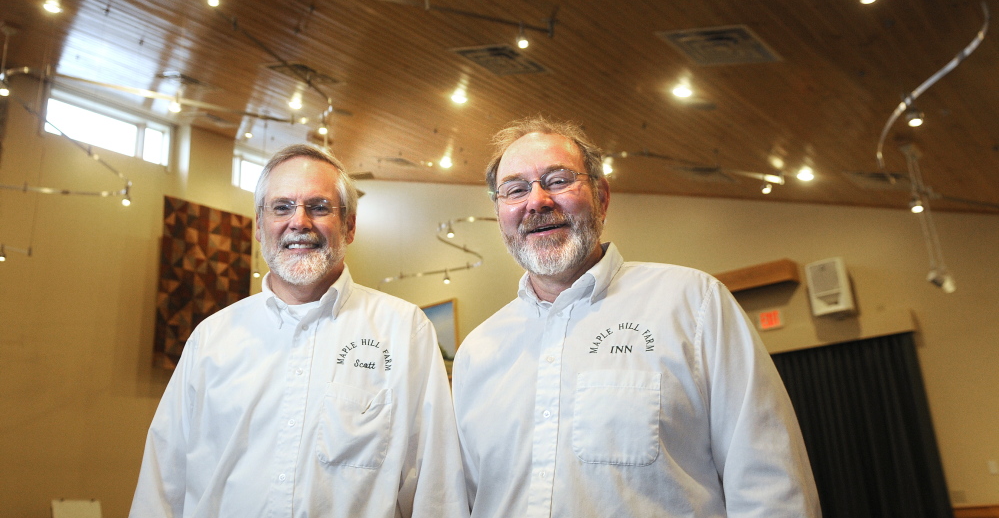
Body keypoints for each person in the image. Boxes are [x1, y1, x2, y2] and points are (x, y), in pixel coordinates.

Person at [451, 117, 821, 518]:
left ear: (602, 197)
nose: (537, 201)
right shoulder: (476, 352)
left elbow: (770, 484)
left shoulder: (693, 303)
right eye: (515, 189)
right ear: (499, 212)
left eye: (558, 181)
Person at [130, 144, 468, 518]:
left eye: (319, 207)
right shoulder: (211, 339)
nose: (299, 222)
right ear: (259, 226)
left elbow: (436, 488)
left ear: (350, 226)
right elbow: (163, 486)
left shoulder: (404, 331)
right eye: (282, 207)